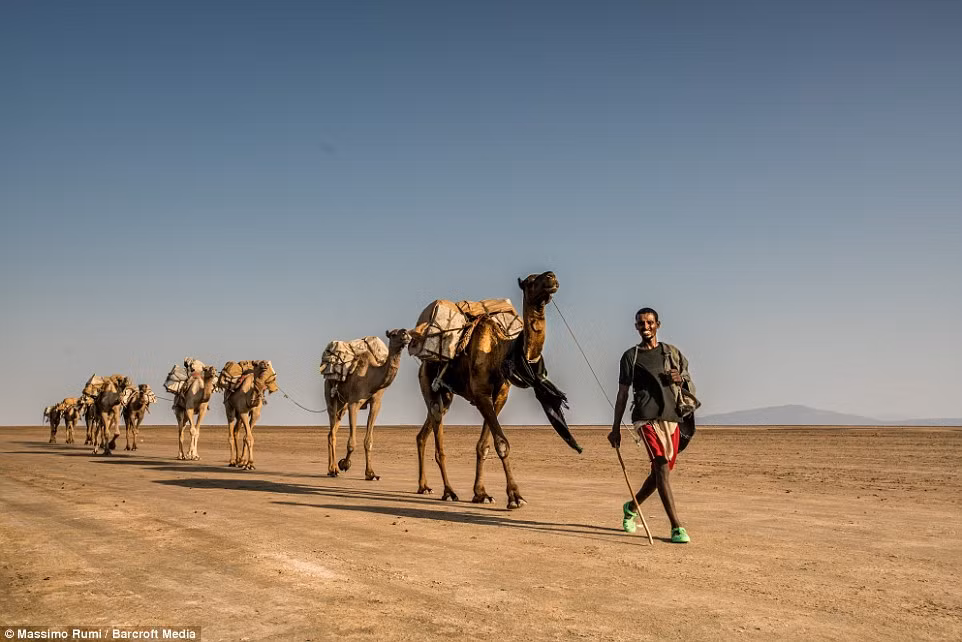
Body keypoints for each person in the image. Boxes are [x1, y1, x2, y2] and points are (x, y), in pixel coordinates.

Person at [608, 307, 697, 543]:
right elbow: (622, 393)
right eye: (640, 324)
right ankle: (676, 527)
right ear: (636, 327)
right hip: (645, 417)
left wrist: (681, 378)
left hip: (671, 416)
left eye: (649, 323)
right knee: (659, 465)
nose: (645, 327)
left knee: (661, 473)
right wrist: (615, 427)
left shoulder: (672, 353)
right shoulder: (630, 356)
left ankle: (631, 506)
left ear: (658, 324)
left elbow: (687, 380)